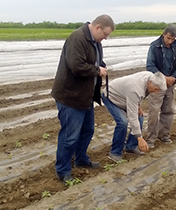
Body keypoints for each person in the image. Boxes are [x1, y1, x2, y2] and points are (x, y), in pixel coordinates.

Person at [51, 14, 115, 182]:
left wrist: (101, 65)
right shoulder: (77, 38)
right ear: (97, 27)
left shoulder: (95, 42)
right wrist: (97, 71)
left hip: (85, 96)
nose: (105, 38)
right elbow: (76, 66)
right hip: (70, 96)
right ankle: (63, 171)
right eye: (105, 34)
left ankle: (80, 159)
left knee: (88, 130)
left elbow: (95, 61)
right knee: (69, 136)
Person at [101, 71, 167, 162]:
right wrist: (140, 137)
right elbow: (132, 116)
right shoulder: (135, 89)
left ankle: (131, 146)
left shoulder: (150, 76)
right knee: (123, 122)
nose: (156, 92)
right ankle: (115, 153)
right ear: (150, 82)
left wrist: (138, 105)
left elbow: (140, 95)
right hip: (111, 96)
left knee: (140, 117)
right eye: (156, 89)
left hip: (125, 96)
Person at [146, 24, 176, 148]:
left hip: (170, 84)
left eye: (172, 39)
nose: (170, 41)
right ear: (163, 34)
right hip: (157, 84)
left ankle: (164, 135)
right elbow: (150, 66)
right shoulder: (154, 46)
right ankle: (150, 139)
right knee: (154, 111)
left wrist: (173, 77)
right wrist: (164, 78)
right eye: (168, 38)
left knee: (168, 111)